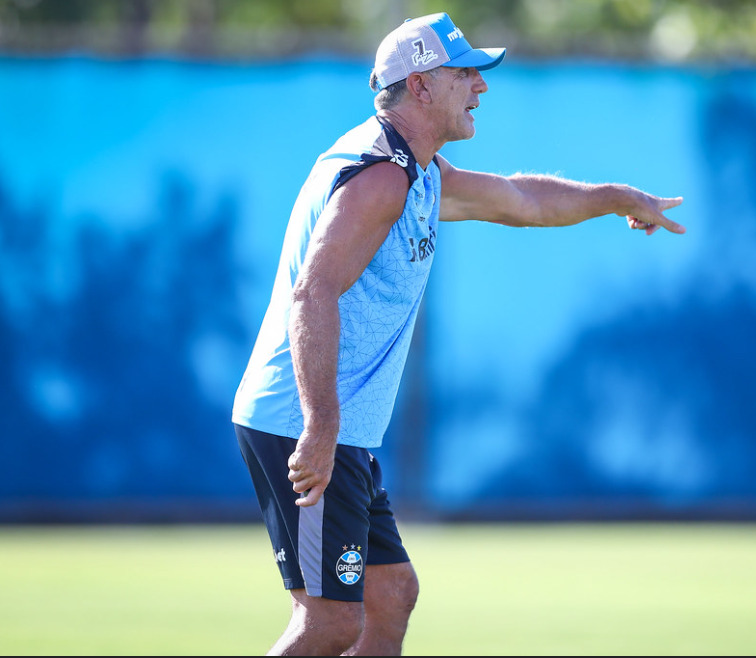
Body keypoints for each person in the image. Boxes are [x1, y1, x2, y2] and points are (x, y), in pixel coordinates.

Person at [231, 11, 685, 656]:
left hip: (339, 426)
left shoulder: (418, 172)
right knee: (330, 623)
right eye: (465, 72)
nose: (481, 85)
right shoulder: (381, 176)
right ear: (419, 86)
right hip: (301, 420)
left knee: (391, 597)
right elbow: (313, 293)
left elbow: (519, 200)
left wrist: (613, 197)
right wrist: (321, 428)